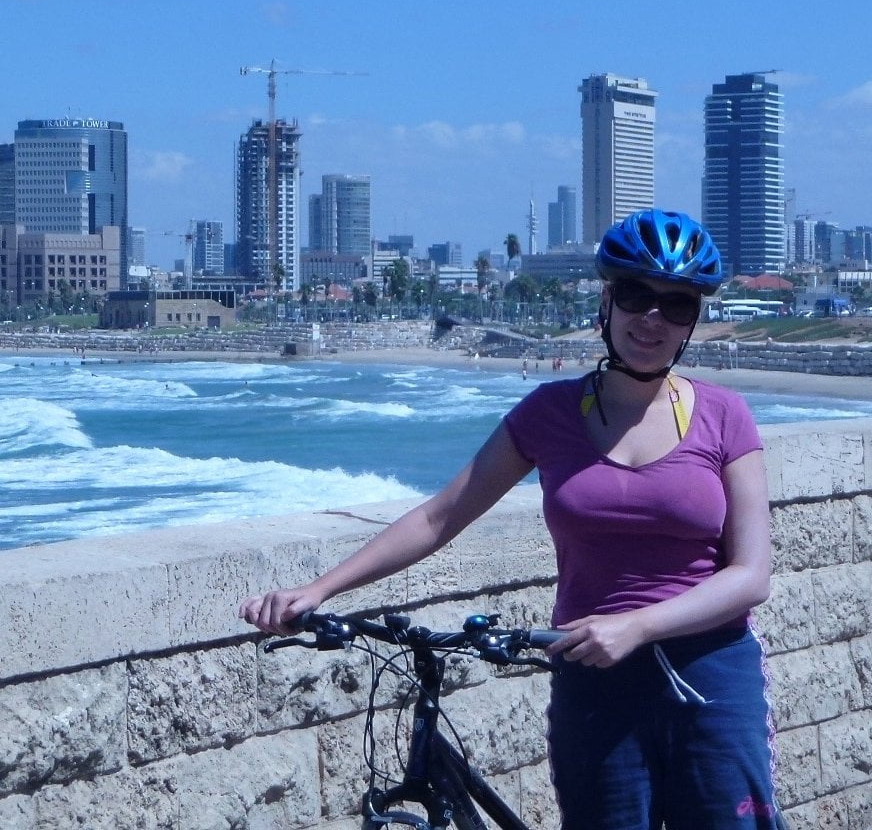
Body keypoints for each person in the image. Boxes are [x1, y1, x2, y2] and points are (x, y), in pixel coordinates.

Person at [240, 208, 780, 829]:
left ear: (693, 320)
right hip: (592, 676)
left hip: (709, 676)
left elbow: (750, 575)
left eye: (676, 306)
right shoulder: (549, 413)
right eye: (635, 296)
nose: (652, 319)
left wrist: (637, 626)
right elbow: (442, 515)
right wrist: (319, 588)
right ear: (607, 301)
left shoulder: (724, 415)